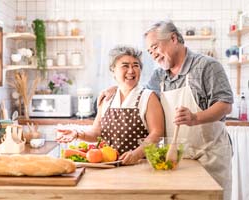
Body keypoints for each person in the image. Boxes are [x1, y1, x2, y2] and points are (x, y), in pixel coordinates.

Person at [99, 21, 233, 200]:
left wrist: (195, 117)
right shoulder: (159, 75)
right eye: (149, 51)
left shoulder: (207, 66)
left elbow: (225, 104)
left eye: (155, 47)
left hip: (209, 155)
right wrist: (116, 88)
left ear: (173, 38)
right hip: (177, 158)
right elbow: (139, 95)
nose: (153, 54)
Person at [56, 45, 165, 165]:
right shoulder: (107, 98)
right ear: (113, 69)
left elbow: (157, 133)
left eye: (136, 66)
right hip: (108, 166)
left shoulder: (148, 97)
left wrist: (136, 154)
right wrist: (77, 134)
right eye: (125, 66)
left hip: (139, 166)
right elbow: (96, 133)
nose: (131, 71)